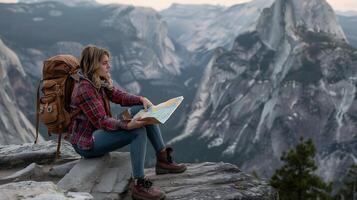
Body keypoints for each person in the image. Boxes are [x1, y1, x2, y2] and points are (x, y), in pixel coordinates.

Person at [68, 45, 187, 200]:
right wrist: (127, 125)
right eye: (104, 63)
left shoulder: (97, 80)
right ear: (93, 65)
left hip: (99, 130)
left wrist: (141, 99)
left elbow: (118, 96)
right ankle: (139, 184)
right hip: (87, 142)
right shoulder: (85, 88)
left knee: (141, 110)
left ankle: (163, 159)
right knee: (137, 131)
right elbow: (101, 121)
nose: (108, 66)